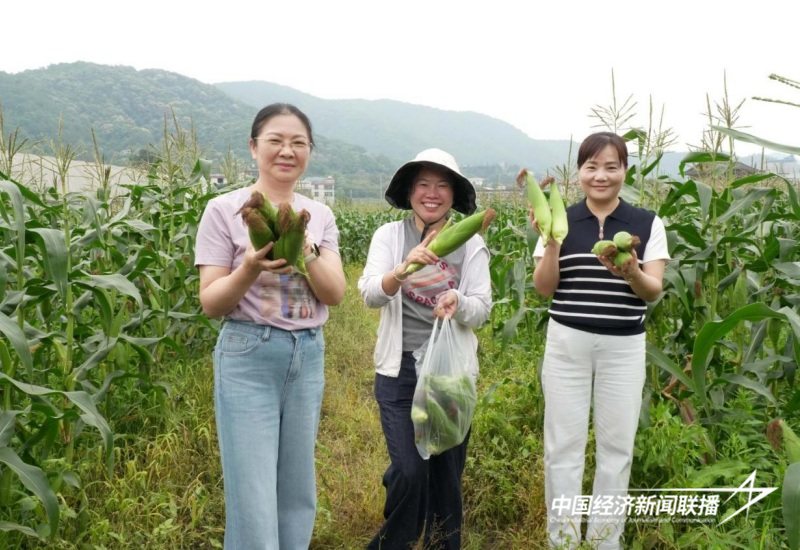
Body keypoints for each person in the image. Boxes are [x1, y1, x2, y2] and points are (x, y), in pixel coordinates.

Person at [194, 103, 346, 549]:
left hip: (307, 354)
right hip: (248, 353)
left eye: (298, 142)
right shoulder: (223, 209)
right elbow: (211, 302)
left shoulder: (319, 215)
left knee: (297, 489)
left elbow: (335, 293)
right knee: (253, 493)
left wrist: (306, 250)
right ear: (253, 147)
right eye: (275, 140)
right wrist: (249, 268)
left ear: (310, 151)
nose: (287, 151)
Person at [531, 132, 670, 549]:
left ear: (625, 171)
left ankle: (605, 541)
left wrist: (631, 272)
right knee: (562, 448)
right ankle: (563, 540)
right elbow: (544, 288)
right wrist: (552, 244)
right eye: (592, 167)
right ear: (579, 172)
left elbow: (653, 291)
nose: (601, 176)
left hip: (623, 349)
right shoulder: (560, 219)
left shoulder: (647, 223)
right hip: (566, 345)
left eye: (611, 166)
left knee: (616, 449)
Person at [358, 148, 492, 549]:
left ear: (454, 195)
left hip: (449, 373)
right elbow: (369, 294)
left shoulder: (472, 245)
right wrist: (402, 269)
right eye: (423, 184)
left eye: (442, 185)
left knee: (446, 474)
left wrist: (457, 302)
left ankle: (442, 543)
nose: (431, 193)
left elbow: (481, 309)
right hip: (398, 370)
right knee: (410, 470)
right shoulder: (390, 236)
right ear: (409, 191)